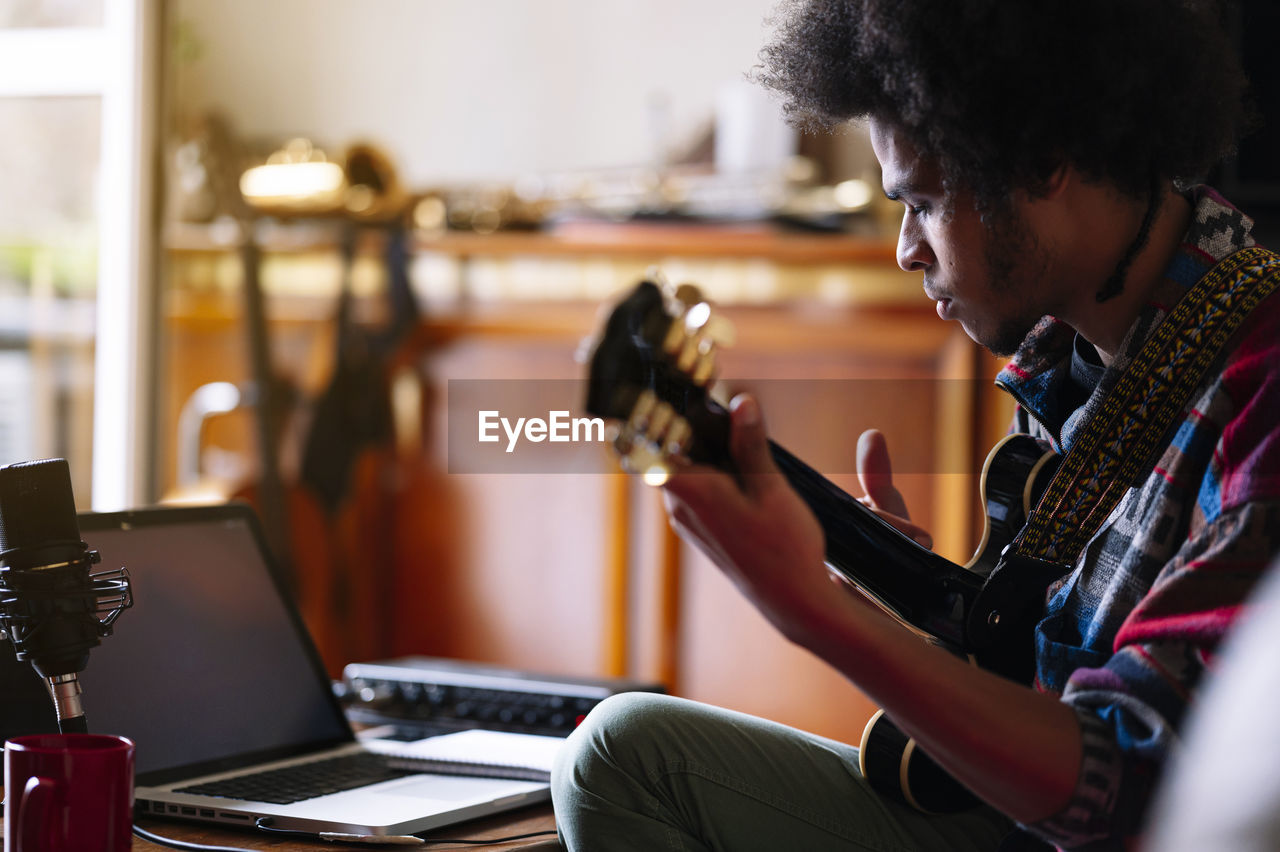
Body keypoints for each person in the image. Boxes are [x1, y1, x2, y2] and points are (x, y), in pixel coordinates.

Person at [550, 1, 1280, 850]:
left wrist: (818, 614)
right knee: (624, 755)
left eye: (924, 202)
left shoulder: (1260, 392)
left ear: (1045, 164)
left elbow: (1129, 791)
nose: (906, 248)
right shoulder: (1079, 349)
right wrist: (921, 611)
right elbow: (1046, 664)